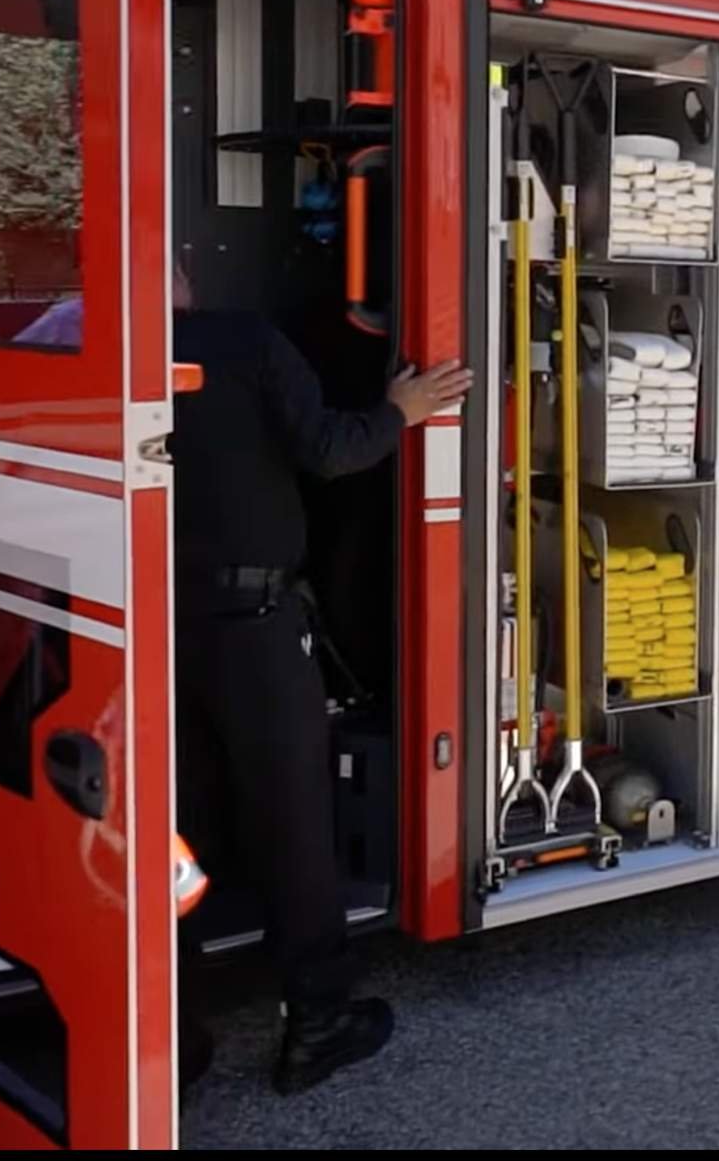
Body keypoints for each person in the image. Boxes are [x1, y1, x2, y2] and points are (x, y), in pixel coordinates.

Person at [172, 270, 471, 1095]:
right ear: (175, 273)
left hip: (152, 633)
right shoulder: (245, 340)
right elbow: (332, 451)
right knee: (293, 824)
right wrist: (402, 412)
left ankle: (169, 1038)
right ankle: (318, 1022)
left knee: (177, 832)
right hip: (253, 630)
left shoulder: (91, 355)